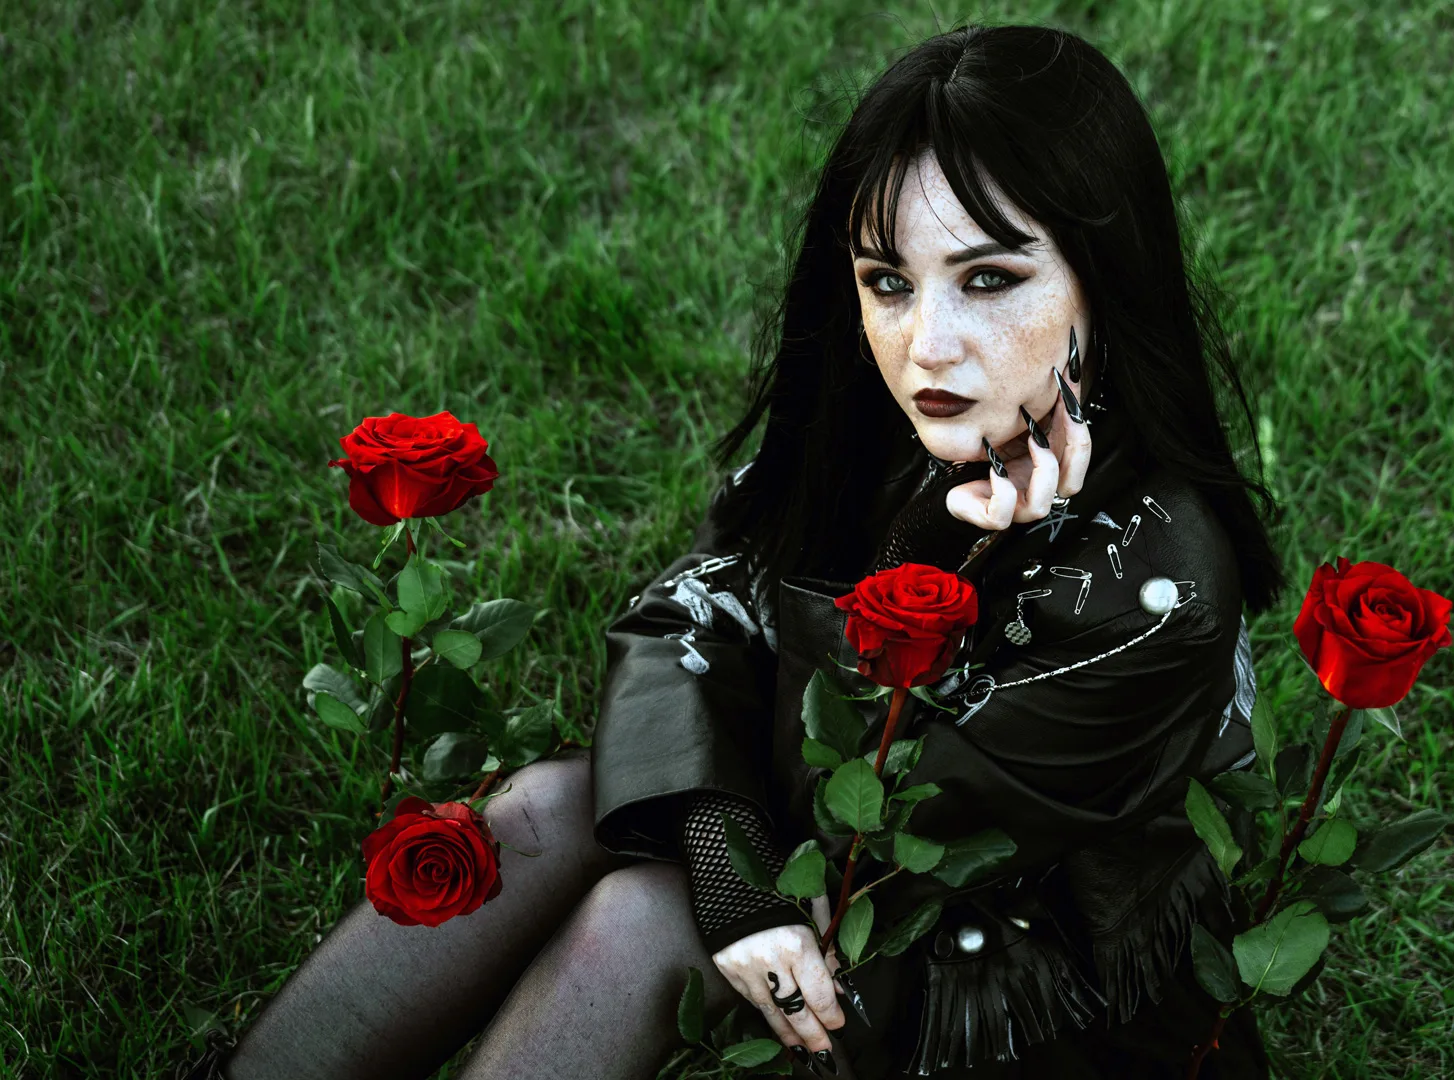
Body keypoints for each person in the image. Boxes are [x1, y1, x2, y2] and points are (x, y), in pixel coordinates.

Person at [187, 22, 1288, 1080]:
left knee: (643, 910)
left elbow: (878, 815)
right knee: (544, 810)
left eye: (990, 279)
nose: (925, 345)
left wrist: (931, 547)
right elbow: (689, 613)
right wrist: (726, 852)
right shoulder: (887, 421)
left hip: (1002, 988)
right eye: (887, 282)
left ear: (1105, 278)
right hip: (840, 862)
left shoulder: (1158, 587)